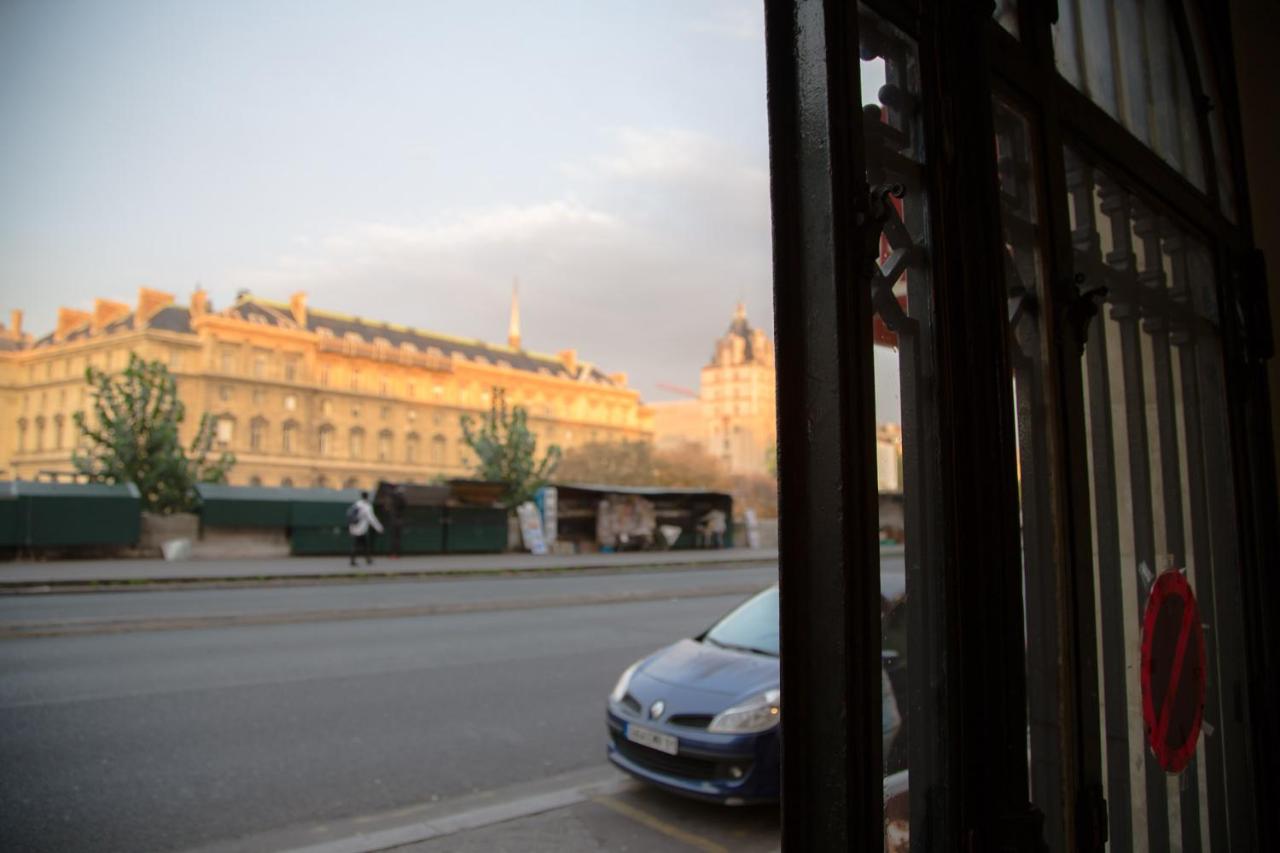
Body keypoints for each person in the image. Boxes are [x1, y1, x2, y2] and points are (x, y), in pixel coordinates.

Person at [347, 490, 383, 567]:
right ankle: (362, 560)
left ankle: (362, 559)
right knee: (362, 545)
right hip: (361, 529)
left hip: (354, 528)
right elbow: (372, 519)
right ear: (367, 497)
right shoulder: (367, 506)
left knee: (359, 544)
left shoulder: (357, 504)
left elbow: (350, 515)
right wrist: (379, 528)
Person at [388, 484, 407, 558]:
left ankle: (393, 553)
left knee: (394, 538)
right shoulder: (403, 499)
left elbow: (390, 494)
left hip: (394, 520)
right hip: (400, 520)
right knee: (398, 538)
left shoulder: (394, 498)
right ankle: (397, 553)